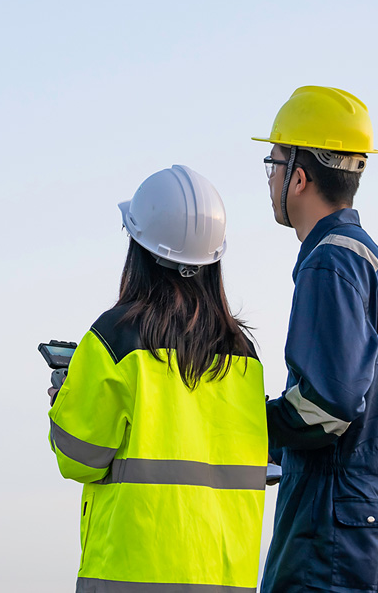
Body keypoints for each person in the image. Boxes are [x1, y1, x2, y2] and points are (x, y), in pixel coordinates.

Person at [48, 165, 267, 592]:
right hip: (225, 581)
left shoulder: (115, 339)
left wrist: (65, 398)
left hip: (130, 579)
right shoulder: (244, 356)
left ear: (139, 249)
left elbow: (77, 456)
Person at [254, 86, 378, 592]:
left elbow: (328, 403)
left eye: (274, 161)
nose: (269, 177)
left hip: (338, 526)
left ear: (300, 177)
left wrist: (247, 428)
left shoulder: (328, 262)